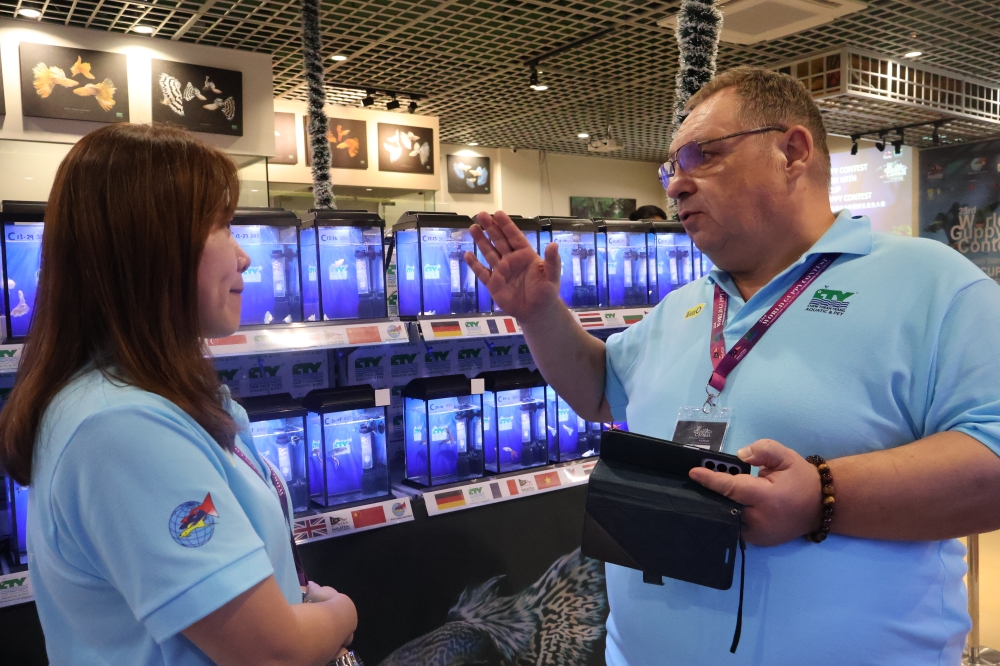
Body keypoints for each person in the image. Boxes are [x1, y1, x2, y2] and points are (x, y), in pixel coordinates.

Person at [465, 66, 1000, 665]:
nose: (676, 185)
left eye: (702, 155)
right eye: (671, 169)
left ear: (792, 152)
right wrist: (540, 315)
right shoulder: (683, 306)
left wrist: (823, 495)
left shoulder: (930, 284)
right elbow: (598, 391)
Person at [0, 124, 358, 666]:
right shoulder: (120, 426)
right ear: (152, 246)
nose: (245, 257)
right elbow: (272, 652)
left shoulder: (146, 399)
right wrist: (341, 615)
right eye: (222, 226)